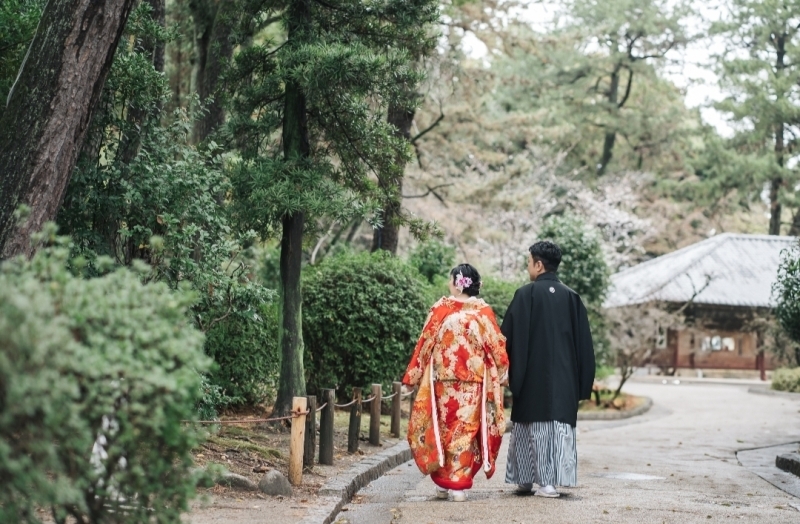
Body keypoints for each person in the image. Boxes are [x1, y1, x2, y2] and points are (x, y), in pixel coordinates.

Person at [403, 264, 509, 502]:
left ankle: (446, 482)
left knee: (442, 429)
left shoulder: (441, 309)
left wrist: (413, 376)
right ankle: (456, 485)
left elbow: (425, 344)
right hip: (472, 382)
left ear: (456, 282)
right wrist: (502, 372)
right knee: (464, 431)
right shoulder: (483, 313)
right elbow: (497, 346)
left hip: (443, 380)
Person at [502, 241, 595, 498]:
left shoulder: (525, 295)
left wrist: (507, 371)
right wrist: (583, 381)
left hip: (532, 375)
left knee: (530, 427)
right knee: (557, 429)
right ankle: (544, 481)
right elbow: (584, 345)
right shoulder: (572, 298)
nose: (528, 267)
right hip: (565, 378)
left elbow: (507, 337)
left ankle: (534, 481)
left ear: (539, 264)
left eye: (529, 262)